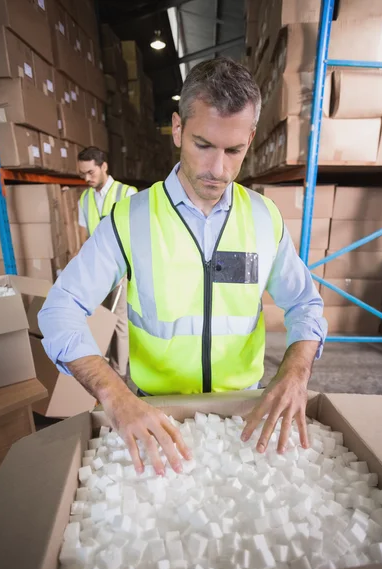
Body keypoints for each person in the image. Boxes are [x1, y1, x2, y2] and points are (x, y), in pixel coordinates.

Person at [39, 58, 327, 476]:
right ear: (177, 129)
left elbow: (305, 303)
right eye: (203, 145)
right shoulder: (130, 219)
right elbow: (59, 309)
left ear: (250, 138)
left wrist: (295, 374)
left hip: (242, 414)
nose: (218, 169)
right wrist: (116, 397)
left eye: (234, 150)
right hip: (156, 411)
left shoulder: (265, 219)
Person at [77, 146, 137, 379]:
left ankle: (119, 374)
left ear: (104, 167)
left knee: (119, 320)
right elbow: (84, 237)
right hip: (97, 270)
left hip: (121, 268)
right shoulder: (85, 198)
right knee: (99, 318)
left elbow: (136, 234)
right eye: (82, 173)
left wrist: (127, 268)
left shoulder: (127, 193)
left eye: (91, 172)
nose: (86, 178)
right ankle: (102, 367)